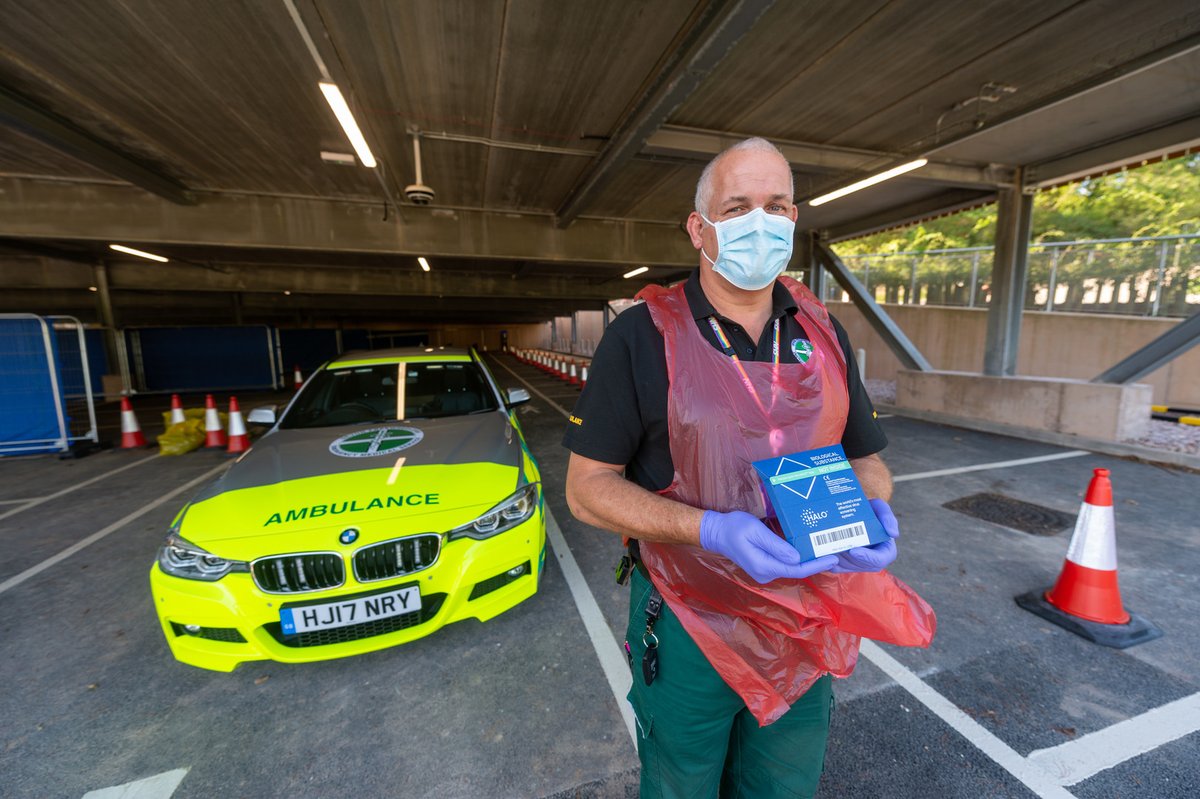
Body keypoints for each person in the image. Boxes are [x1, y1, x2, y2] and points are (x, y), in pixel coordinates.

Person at [563, 137, 934, 798]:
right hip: (688, 619)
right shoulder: (642, 335)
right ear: (698, 228)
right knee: (681, 782)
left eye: (776, 205)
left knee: (782, 785)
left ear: (793, 220)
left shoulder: (823, 330)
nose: (759, 222)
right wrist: (713, 531)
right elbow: (587, 491)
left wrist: (874, 507)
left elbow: (866, 459)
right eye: (738, 207)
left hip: (804, 614)